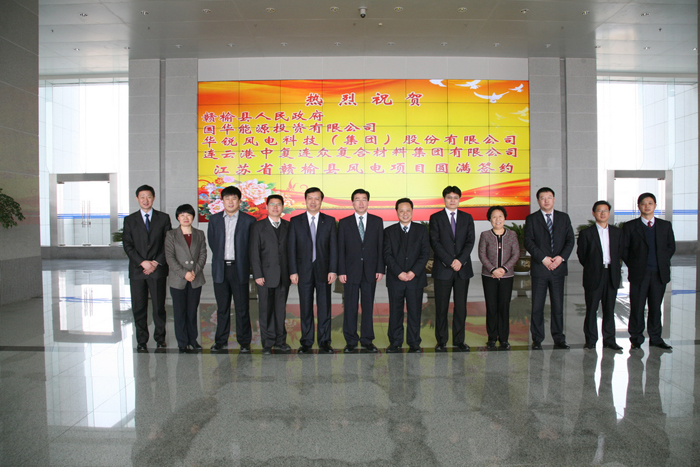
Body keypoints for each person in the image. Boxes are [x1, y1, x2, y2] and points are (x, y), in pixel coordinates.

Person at [622, 192, 676, 351]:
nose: (647, 206)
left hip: (659, 274)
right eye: (643, 203)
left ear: (655, 206)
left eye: (650, 203)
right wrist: (634, 265)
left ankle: (656, 338)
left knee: (655, 308)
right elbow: (624, 249)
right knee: (637, 308)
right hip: (639, 274)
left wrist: (662, 261)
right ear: (638, 206)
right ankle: (636, 339)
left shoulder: (665, 225)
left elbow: (671, 246)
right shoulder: (630, 226)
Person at [524, 187, 575, 350]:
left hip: (558, 268)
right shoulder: (532, 219)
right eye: (543, 198)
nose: (546, 200)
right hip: (540, 268)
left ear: (554, 199)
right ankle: (537, 339)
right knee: (537, 306)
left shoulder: (563, 218)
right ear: (538, 201)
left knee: (558, 306)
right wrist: (543, 258)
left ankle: (559, 338)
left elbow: (570, 240)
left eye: (549, 197)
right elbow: (528, 241)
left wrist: (560, 258)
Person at [288, 187, 337, 354]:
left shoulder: (329, 221)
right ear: (305, 200)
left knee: (324, 307)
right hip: (303, 272)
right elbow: (291, 249)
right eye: (310, 198)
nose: (313, 201)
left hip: (324, 272)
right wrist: (293, 271)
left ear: (321, 201)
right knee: (305, 307)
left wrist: (333, 270)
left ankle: (325, 341)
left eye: (317, 198)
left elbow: (333, 248)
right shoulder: (295, 221)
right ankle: (306, 341)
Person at [122, 185, 171, 351]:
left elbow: (167, 243)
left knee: (159, 307)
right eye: (142, 197)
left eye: (148, 196)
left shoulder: (163, 218)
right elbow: (127, 245)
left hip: (157, 270)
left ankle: (160, 338)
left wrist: (155, 262)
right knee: (139, 307)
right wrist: (142, 262)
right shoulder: (130, 220)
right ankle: (141, 340)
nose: (145, 200)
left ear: (153, 198)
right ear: (137, 199)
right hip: (138, 271)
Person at [208, 186, 255, 352]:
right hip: (220, 269)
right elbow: (213, 243)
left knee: (242, 308)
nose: (230, 202)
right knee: (222, 308)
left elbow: (251, 246)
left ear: (239, 201)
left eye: (234, 198)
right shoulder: (214, 220)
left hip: (239, 268)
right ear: (222, 201)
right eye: (227, 199)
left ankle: (244, 342)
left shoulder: (249, 221)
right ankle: (221, 341)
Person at [428, 186, 475, 352]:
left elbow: (470, 241)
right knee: (441, 307)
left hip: (462, 269)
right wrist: (450, 261)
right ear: (444, 199)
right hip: (443, 269)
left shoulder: (467, 218)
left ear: (459, 199)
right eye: (449, 197)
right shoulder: (436, 218)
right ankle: (441, 341)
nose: (452, 200)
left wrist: (460, 260)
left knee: (461, 307)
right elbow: (435, 242)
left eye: (456, 197)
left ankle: (459, 340)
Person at [338, 188, 384, 353]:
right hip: (350, 271)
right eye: (357, 199)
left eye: (364, 199)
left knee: (368, 307)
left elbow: (380, 247)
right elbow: (340, 248)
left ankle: (367, 340)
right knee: (350, 306)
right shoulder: (344, 223)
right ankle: (350, 340)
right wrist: (341, 271)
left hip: (370, 271)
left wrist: (380, 268)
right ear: (352, 203)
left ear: (368, 202)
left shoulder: (377, 221)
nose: (361, 202)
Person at [383, 198, 430, 353]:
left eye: (408, 210)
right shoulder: (388, 232)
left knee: (415, 312)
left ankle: (414, 342)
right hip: (395, 279)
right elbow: (387, 255)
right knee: (395, 312)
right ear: (396, 212)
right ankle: (395, 342)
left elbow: (425, 254)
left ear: (412, 211)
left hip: (415, 279)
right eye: (401, 211)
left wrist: (413, 272)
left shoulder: (421, 230)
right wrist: (399, 272)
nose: (405, 214)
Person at [576, 201, 623, 351]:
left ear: (609, 213)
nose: (602, 213)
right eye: (599, 211)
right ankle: (590, 340)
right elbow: (582, 255)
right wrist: (593, 267)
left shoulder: (617, 232)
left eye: (605, 211)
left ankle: (609, 340)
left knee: (609, 309)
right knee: (592, 309)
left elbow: (620, 252)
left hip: (611, 274)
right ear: (593, 213)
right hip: (594, 274)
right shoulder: (586, 233)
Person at [250, 195, 291, 355]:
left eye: (278, 204)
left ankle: (281, 341)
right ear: (267, 207)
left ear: (282, 207)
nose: (275, 207)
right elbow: (254, 252)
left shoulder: (288, 226)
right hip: (265, 276)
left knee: (280, 310)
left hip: (283, 276)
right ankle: (267, 342)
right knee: (265, 310)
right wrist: (257, 274)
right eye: (272, 204)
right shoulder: (258, 227)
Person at [164, 204, 207, 352]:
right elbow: (170, 257)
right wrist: (185, 273)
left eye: (188, 215)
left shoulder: (199, 234)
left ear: (193, 217)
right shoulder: (171, 235)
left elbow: (203, 254)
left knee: (192, 310)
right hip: (178, 279)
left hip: (195, 278)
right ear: (178, 217)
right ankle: (182, 342)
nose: (185, 218)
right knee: (179, 311)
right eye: (182, 215)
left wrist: (194, 271)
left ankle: (193, 340)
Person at [477, 206, 520, 351]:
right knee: (491, 307)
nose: (497, 219)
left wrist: (504, 269)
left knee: (504, 306)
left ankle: (504, 338)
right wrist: (493, 270)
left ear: (505, 218)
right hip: (489, 276)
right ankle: (491, 338)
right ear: (490, 219)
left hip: (506, 276)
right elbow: (482, 255)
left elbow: (516, 254)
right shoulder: (485, 235)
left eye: (500, 216)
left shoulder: (512, 235)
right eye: (494, 217)